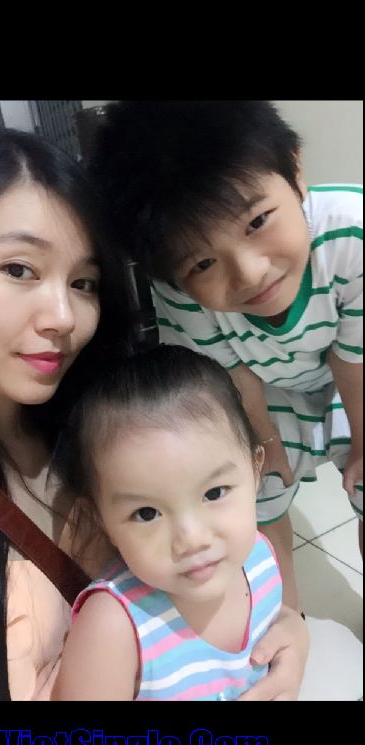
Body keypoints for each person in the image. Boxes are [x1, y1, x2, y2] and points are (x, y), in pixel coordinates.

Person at [0, 125, 308, 702]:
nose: (63, 316)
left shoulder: (100, 423)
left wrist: (287, 634)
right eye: (19, 269)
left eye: (83, 282)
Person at [89, 100, 363, 611]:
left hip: (355, 374)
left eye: (257, 221)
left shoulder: (354, 231)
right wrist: (264, 442)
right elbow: (231, 373)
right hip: (263, 386)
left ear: (295, 170)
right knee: (251, 491)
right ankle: (284, 620)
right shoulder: (176, 294)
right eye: (203, 263)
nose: (251, 272)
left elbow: (355, 360)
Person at [53, 345, 284, 700]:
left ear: (255, 471)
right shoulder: (114, 627)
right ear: (102, 521)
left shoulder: (259, 558)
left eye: (214, 493)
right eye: (147, 513)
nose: (192, 539)